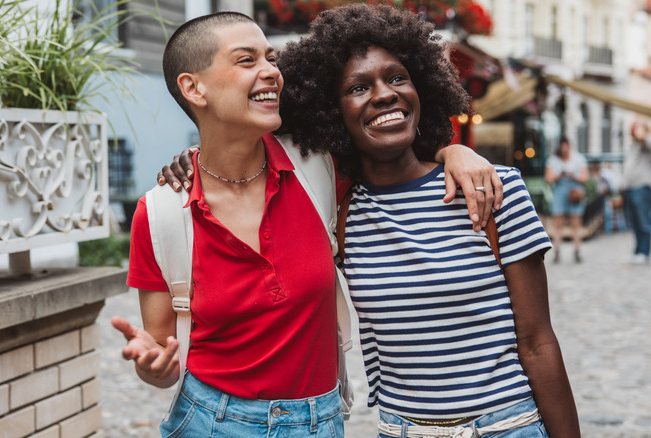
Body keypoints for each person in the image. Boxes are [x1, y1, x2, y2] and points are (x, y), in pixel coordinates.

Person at [161, 5, 580, 437]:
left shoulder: (494, 190)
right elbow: (243, 151)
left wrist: (454, 149)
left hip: (508, 426)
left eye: (398, 78)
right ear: (331, 110)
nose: (384, 94)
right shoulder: (338, 207)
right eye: (358, 87)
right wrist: (194, 161)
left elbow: (538, 343)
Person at [544, 137, 588, 263]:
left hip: (575, 192)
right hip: (559, 192)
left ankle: (577, 251)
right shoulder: (553, 160)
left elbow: (585, 177)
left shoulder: (578, 158)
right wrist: (560, 175)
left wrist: (573, 175)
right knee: (558, 223)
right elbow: (548, 178)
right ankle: (557, 251)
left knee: (576, 222)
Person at [621, 121, 651, 264]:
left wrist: (642, 133)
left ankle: (645, 252)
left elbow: (646, 142)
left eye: (639, 128)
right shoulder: (632, 146)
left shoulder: (649, 144)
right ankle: (638, 250)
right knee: (634, 222)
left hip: (642, 187)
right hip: (629, 188)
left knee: (643, 221)